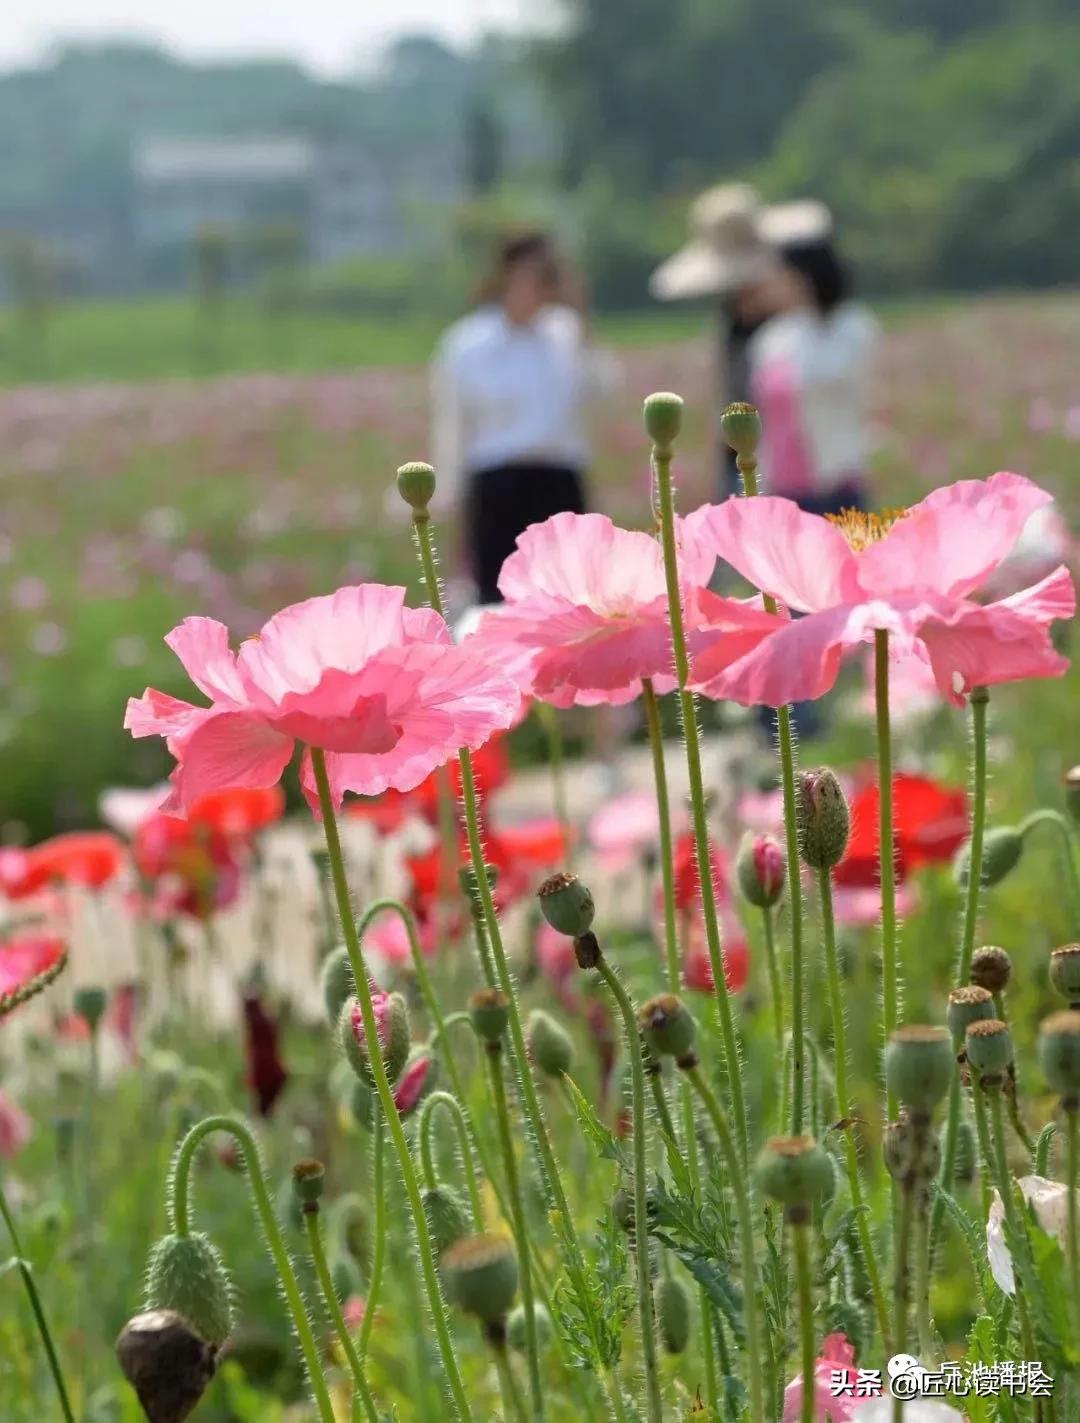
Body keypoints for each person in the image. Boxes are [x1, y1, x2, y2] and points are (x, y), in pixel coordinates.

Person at [431, 231, 611, 608]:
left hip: (559, 479)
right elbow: (453, 428)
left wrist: (583, 315)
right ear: (506, 273)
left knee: (572, 599)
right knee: (496, 602)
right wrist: (450, 499)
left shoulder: (567, 331)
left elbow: (605, 389)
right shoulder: (468, 342)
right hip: (496, 484)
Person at [742, 211, 878, 516]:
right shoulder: (771, 338)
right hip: (781, 485)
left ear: (802, 276)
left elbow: (846, 384)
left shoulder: (851, 327)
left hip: (835, 481)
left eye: (778, 273)